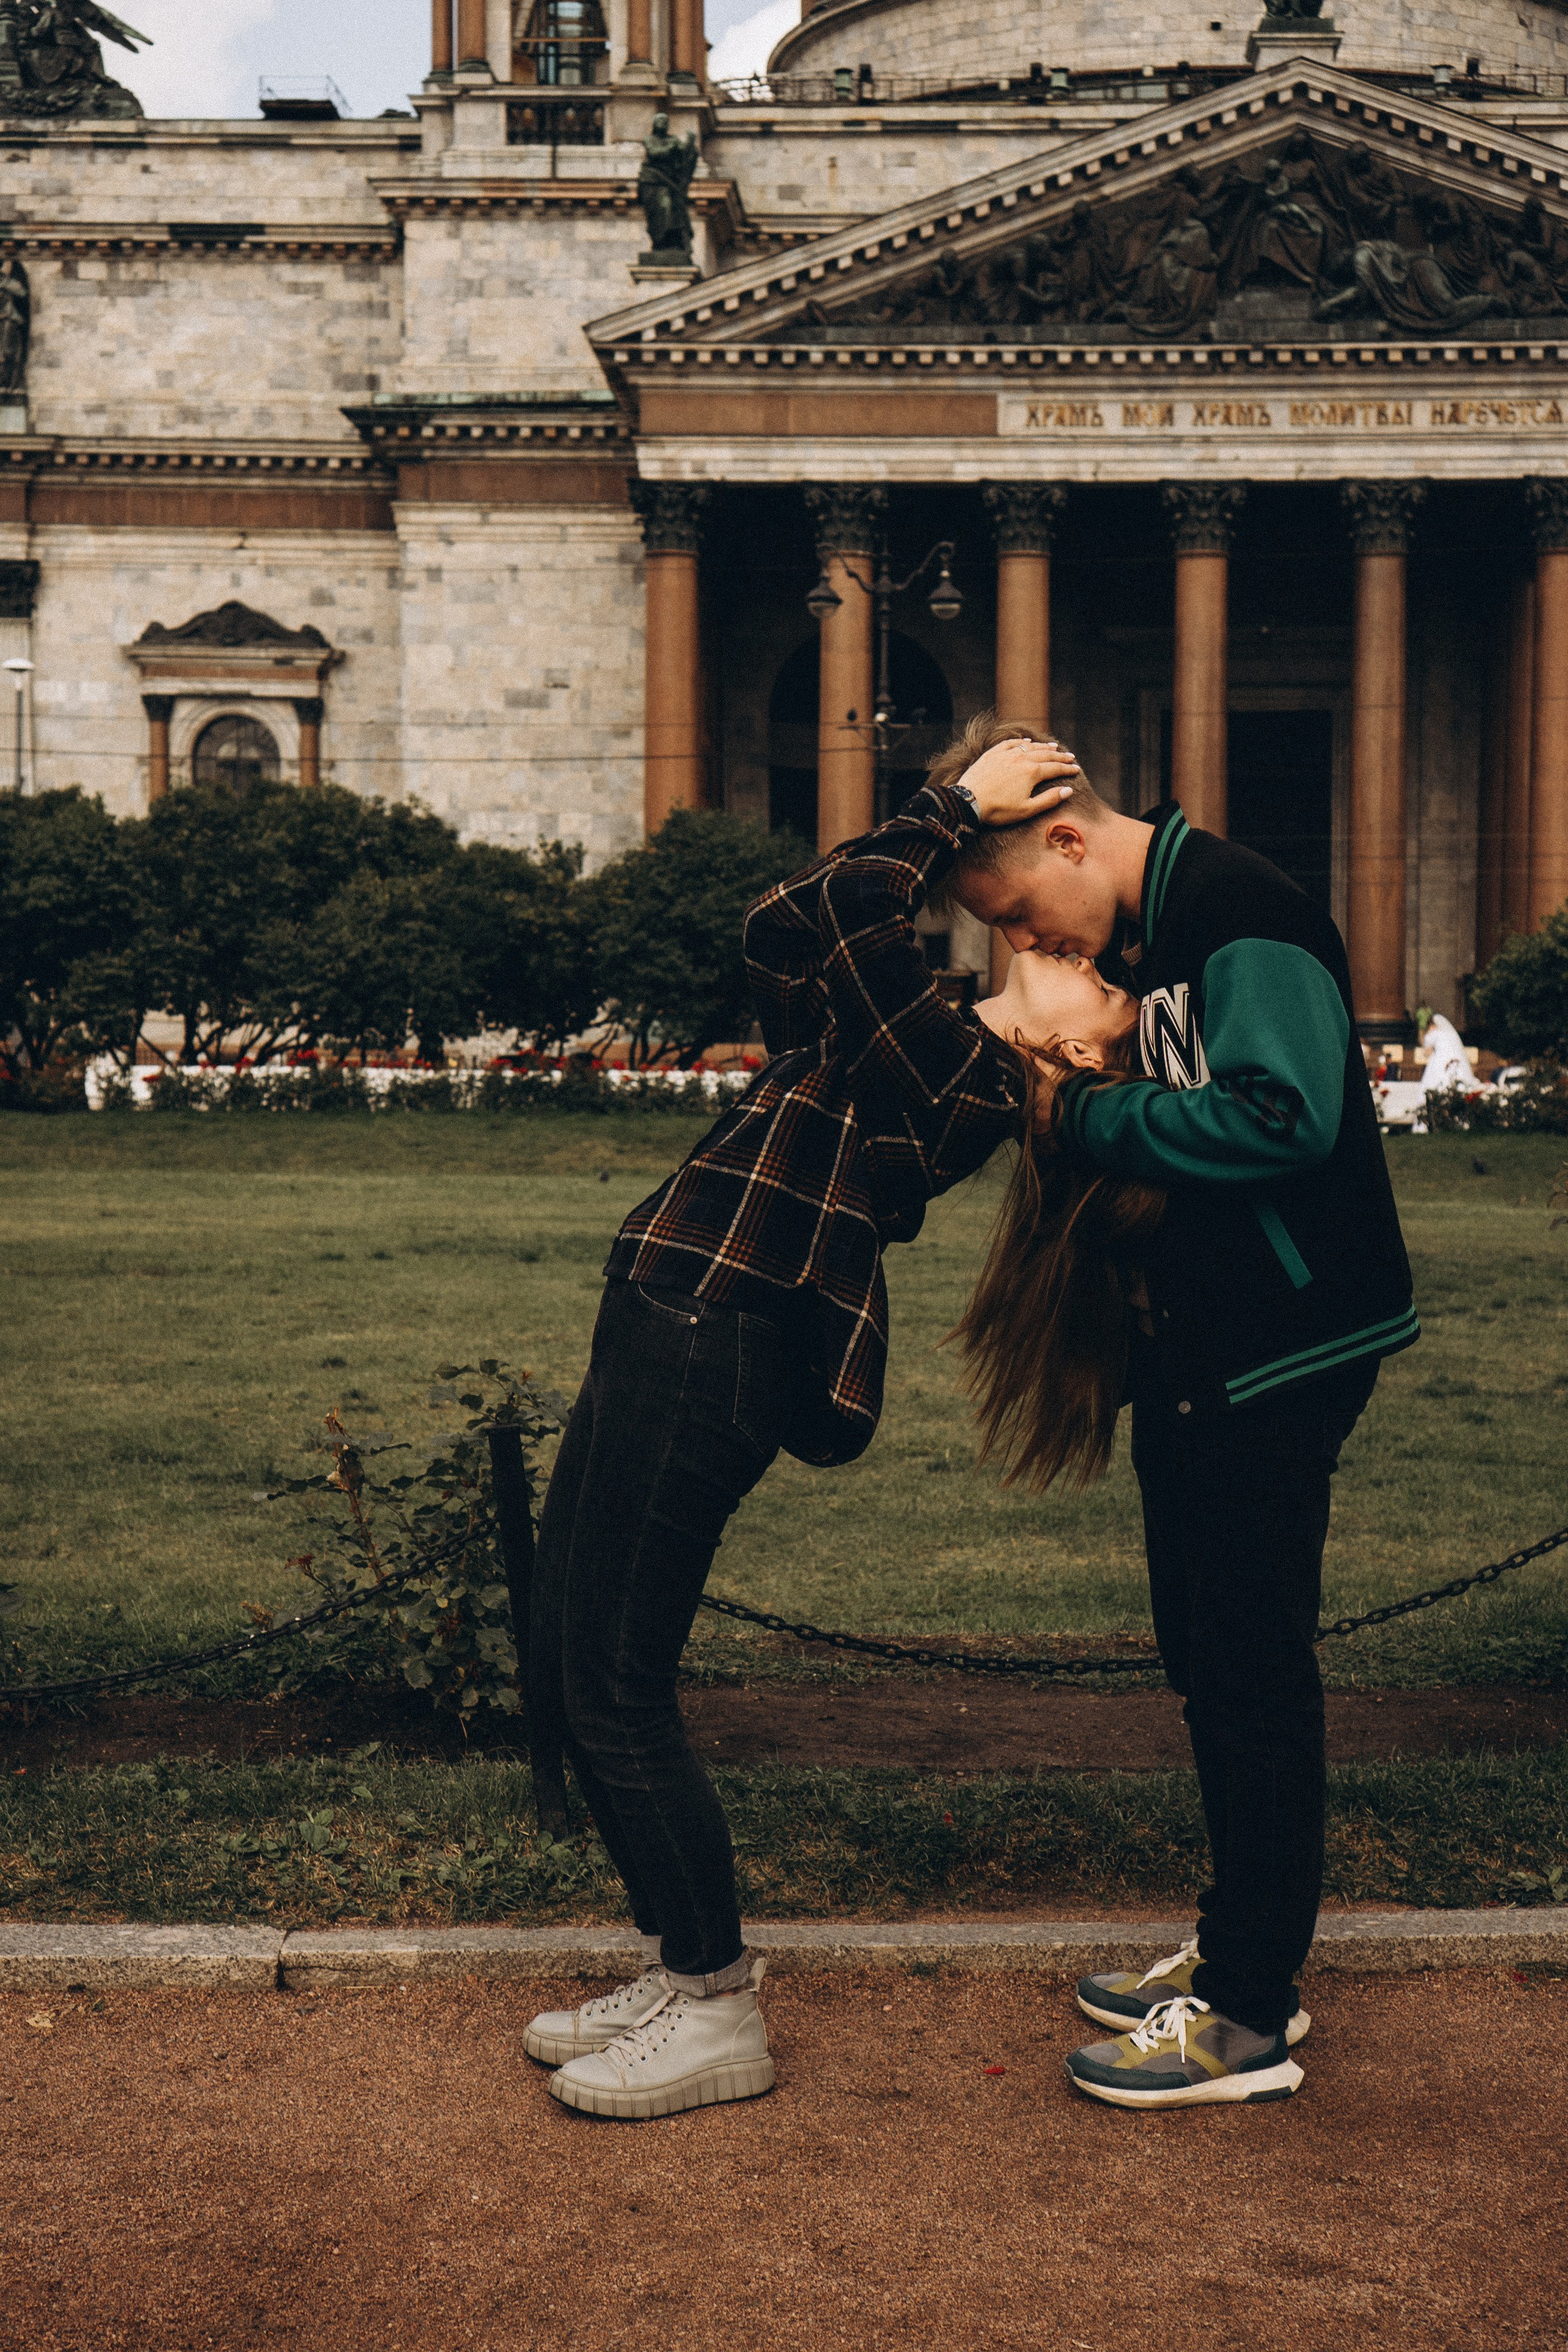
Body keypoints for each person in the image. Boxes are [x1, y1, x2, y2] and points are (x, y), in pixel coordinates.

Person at [523, 727, 1150, 2122]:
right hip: (665, 1315)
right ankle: (669, 1967)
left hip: (714, 1345)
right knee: (574, 1652)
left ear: (1065, 1057)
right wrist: (935, 825)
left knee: (617, 1685)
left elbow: (849, 912)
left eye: (1104, 994)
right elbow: (782, 920)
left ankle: (713, 2004)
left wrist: (946, 811)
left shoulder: (957, 1075)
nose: (1089, 967)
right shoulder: (904, 1037)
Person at [944, 734, 1418, 2109]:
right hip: (1217, 1346)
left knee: (1251, 1677)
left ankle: (1246, 2021)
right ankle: (1233, 1956)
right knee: (1211, 1663)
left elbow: (1283, 1117)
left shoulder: (1236, 913)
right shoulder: (1168, 930)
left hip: (1278, 1345)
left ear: (1071, 842)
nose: (1022, 944)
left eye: (1020, 913)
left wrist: (1083, 1115)